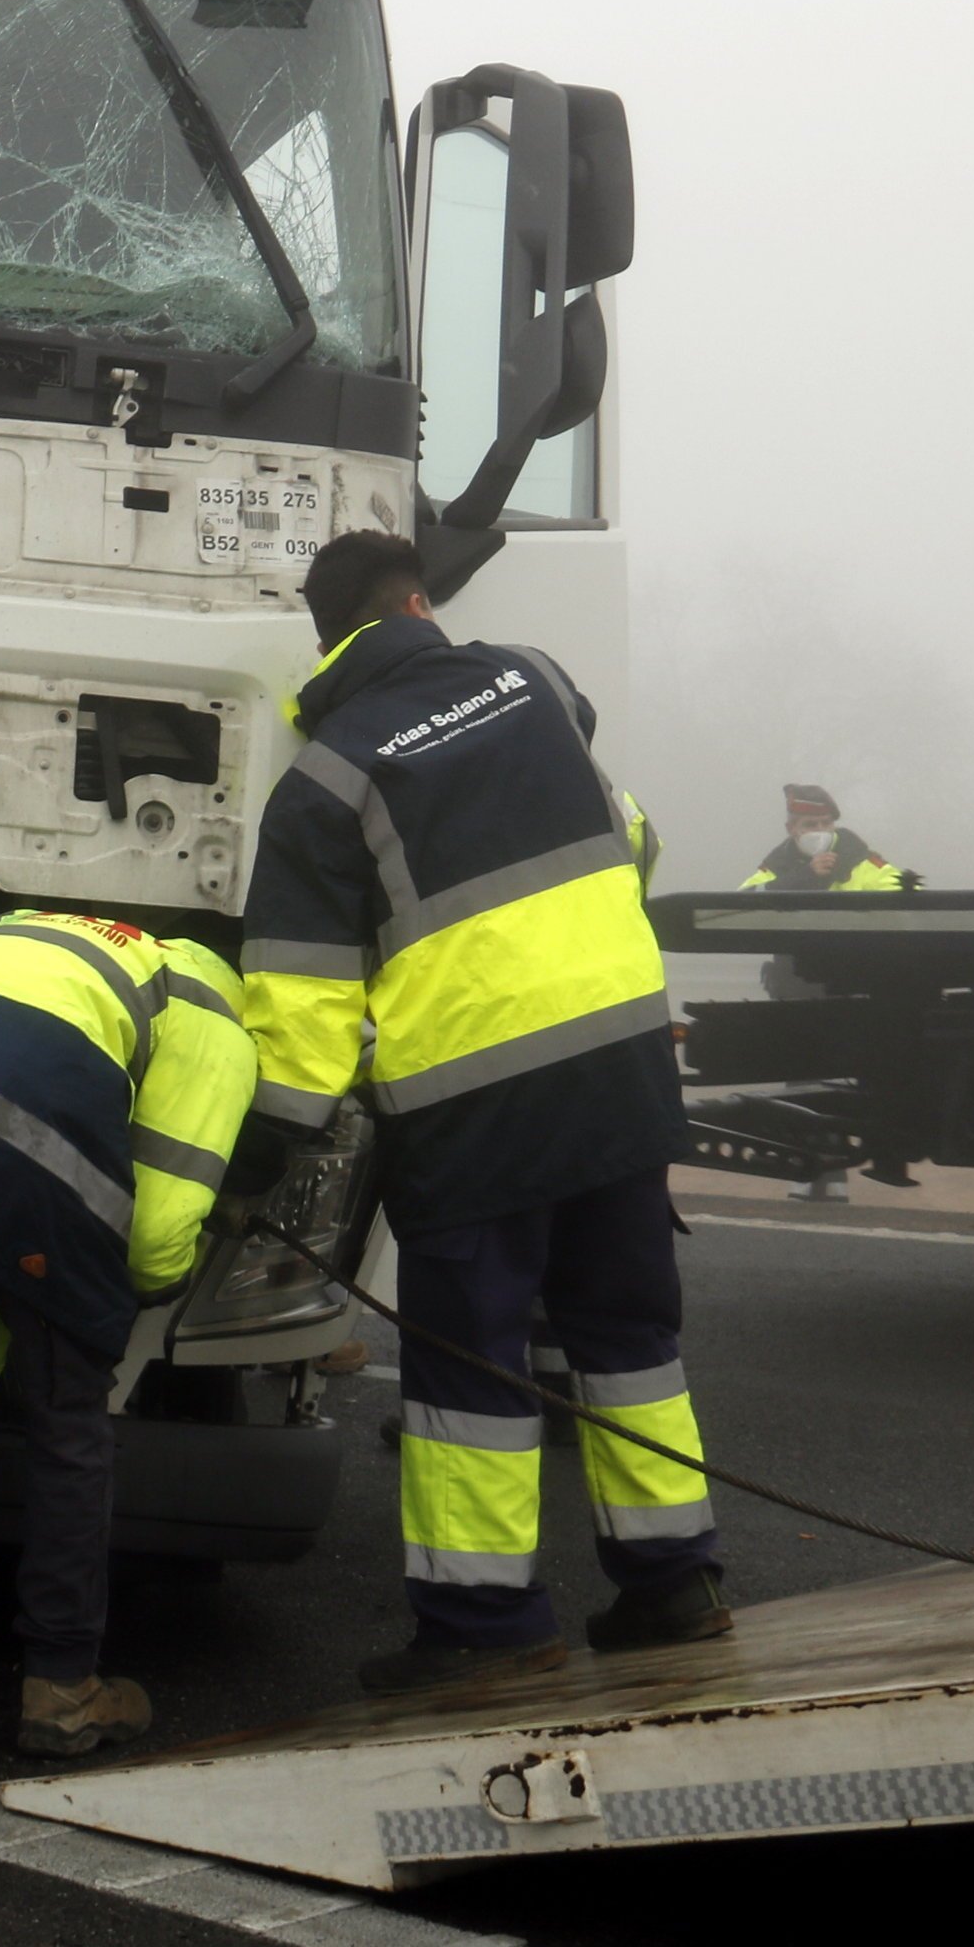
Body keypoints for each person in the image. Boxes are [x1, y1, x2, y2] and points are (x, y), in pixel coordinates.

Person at [241, 532, 728, 1693]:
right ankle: (676, 1584)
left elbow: (304, 996)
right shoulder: (542, 682)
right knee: (625, 1338)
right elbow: (632, 834)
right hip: (620, 1068)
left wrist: (265, 1151)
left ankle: (483, 1627)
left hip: (475, 1103)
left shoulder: (328, 777)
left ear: (330, 643)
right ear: (416, 605)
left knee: (476, 1364)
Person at [0, 908, 255, 1760]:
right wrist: (119, 1303)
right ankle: (63, 1692)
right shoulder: (218, 1014)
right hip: (32, 1140)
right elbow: (161, 1226)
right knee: (68, 1427)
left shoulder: (30, 929)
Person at [742, 785, 907, 893]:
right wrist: (805, 876)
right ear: (791, 829)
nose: (821, 830)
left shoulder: (858, 859)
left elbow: (908, 895)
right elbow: (743, 900)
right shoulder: (777, 863)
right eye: (811, 825)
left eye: (826, 823)